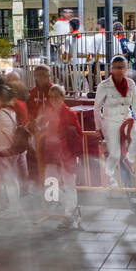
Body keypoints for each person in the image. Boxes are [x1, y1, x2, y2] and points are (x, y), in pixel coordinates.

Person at [35, 83, 83, 228]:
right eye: (51, 97)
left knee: (68, 184)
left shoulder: (69, 114)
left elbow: (77, 136)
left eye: (57, 97)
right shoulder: (47, 113)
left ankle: (70, 214)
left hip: (65, 154)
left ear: (63, 97)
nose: (53, 100)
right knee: (50, 185)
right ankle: (72, 211)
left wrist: (73, 154)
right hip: (52, 153)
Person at [93, 55, 136, 188]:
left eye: (122, 67)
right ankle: (109, 178)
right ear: (111, 69)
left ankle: (130, 160)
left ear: (126, 69)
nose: (119, 70)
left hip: (126, 119)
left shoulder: (131, 84)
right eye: (116, 68)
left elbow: (135, 105)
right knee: (115, 154)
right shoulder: (104, 86)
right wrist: (98, 128)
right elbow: (97, 108)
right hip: (110, 121)